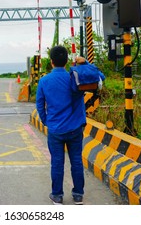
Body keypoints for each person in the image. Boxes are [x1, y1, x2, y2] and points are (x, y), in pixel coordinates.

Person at [36, 45, 94, 205]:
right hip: (75, 128)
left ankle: (57, 195)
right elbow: (97, 76)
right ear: (67, 60)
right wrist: (85, 63)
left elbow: (40, 105)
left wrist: (46, 121)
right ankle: (78, 195)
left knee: (57, 162)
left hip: (55, 129)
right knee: (76, 160)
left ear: (52, 61)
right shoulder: (75, 77)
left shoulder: (44, 81)